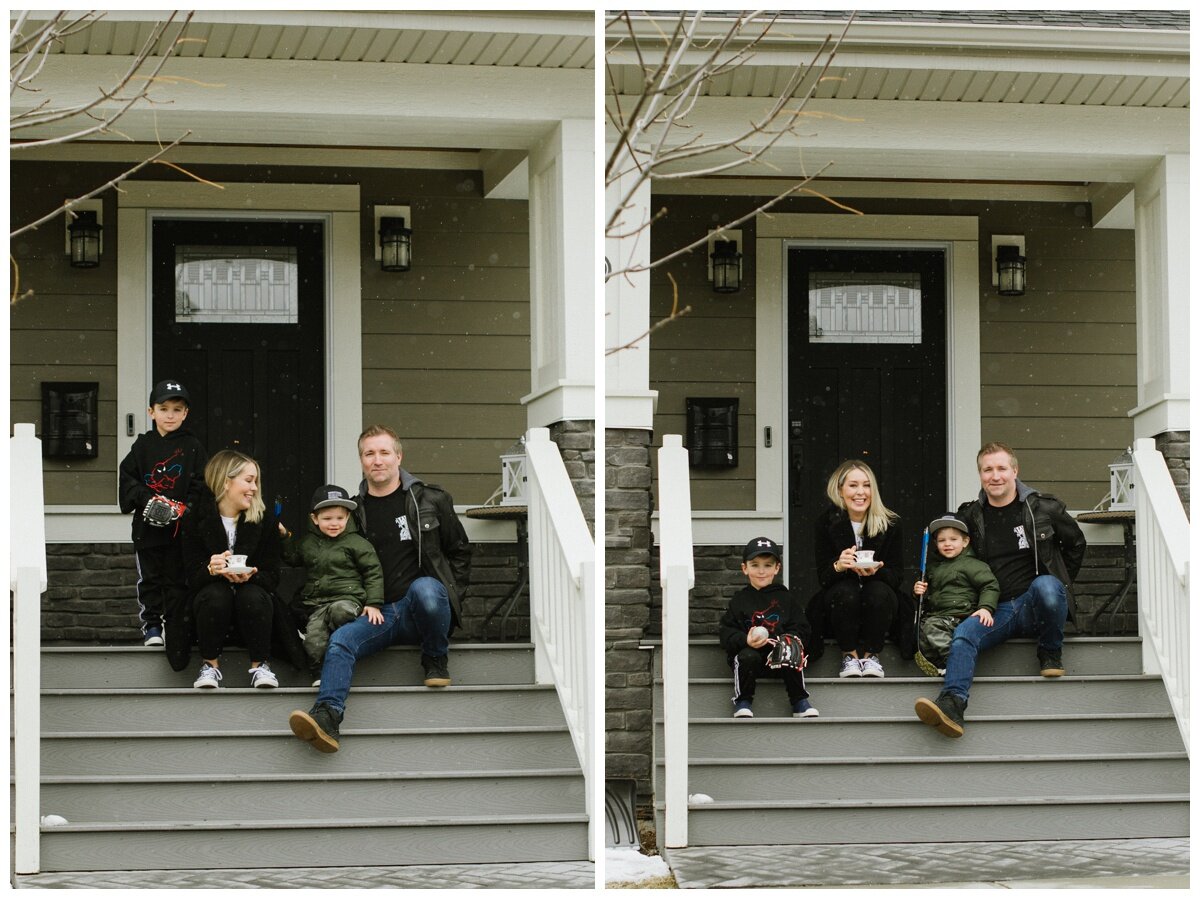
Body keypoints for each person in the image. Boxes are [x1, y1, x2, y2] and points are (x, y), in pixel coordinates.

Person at [288, 424, 471, 753]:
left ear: (398, 456)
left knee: (428, 590)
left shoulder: (431, 499)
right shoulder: (353, 512)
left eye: (384, 452)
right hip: (377, 612)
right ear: (361, 461)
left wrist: (451, 601)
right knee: (341, 640)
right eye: (369, 453)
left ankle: (435, 657)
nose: (377, 460)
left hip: (421, 607)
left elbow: (459, 552)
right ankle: (327, 716)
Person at [915, 442, 1087, 738]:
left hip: (1035, 602)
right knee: (964, 635)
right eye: (987, 470)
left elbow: (1076, 545)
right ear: (980, 475)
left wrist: (1060, 588)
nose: (995, 476)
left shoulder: (1043, 508)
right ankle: (953, 703)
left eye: (1001, 469)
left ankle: (1049, 651)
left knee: (1048, 586)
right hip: (995, 608)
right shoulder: (970, 515)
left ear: (1015, 471)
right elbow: (945, 552)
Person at [180, 449, 283, 689]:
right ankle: (210, 666)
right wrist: (210, 570)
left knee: (253, 595)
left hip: (253, 605)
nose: (254, 488)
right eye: (248, 480)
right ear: (226, 482)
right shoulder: (195, 518)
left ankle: (260, 666)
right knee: (216, 594)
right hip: (211, 608)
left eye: (256, 481)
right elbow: (188, 578)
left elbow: (273, 576)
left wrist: (252, 574)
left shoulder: (264, 519)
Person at [118, 379, 209, 648]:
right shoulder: (142, 447)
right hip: (147, 530)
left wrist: (184, 508)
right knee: (150, 579)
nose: (170, 415)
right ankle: (152, 627)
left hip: (179, 531)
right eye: (164, 408)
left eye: (177, 409)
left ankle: (174, 625)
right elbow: (127, 480)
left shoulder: (193, 447)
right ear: (151, 412)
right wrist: (148, 500)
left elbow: (202, 484)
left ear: (185, 413)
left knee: (176, 579)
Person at [279, 484, 385, 684]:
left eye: (340, 518)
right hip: (317, 604)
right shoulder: (308, 543)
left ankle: (342, 647)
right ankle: (319, 673)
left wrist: (374, 603)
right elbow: (292, 558)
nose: (334, 523)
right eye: (327, 519)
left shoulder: (357, 543)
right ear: (315, 519)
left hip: (348, 598)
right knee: (314, 641)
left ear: (348, 517)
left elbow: (373, 572)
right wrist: (285, 537)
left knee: (340, 611)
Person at [811, 459, 905, 678]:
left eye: (866, 485)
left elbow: (897, 577)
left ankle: (872, 656)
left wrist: (877, 570)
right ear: (840, 490)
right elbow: (823, 579)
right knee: (845, 590)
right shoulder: (825, 523)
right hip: (842, 607)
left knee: (878, 591)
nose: (860, 492)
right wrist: (838, 565)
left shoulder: (890, 523)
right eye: (853, 485)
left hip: (879, 607)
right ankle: (850, 656)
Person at [719, 538, 817, 719]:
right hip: (752, 661)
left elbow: (802, 627)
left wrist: (787, 639)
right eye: (755, 565)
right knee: (746, 656)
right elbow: (726, 633)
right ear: (744, 568)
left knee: (791, 647)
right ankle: (743, 701)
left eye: (768, 565)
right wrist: (745, 640)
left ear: (777, 568)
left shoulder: (786, 599)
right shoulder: (739, 601)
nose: (761, 571)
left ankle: (799, 701)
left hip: (781, 662)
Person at [911, 514, 1001, 678]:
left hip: (959, 615)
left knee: (931, 627)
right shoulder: (933, 568)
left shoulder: (973, 565)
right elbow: (932, 594)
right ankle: (940, 665)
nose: (947, 544)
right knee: (921, 634)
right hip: (938, 615)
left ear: (965, 542)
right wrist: (919, 591)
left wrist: (985, 608)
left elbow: (989, 585)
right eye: (941, 540)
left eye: (953, 539)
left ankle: (955, 660)